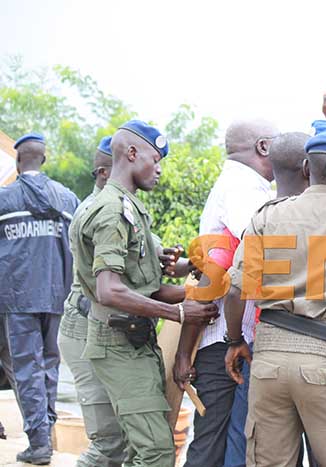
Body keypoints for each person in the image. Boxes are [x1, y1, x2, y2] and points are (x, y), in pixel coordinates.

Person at [224, 120, 326, 466]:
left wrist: (235, 341)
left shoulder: (268, 217)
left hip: (268, 364)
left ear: (307, 169)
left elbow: (235, 292)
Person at [72, 120, 219, 466]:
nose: (159, 170)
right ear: (132, 154)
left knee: (138, 448)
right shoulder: (112, 212)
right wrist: (180, 314)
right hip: (118, 344)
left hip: (134, 343)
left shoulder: (129, 208)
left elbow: (145, 288)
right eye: (156, 160)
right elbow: (110, 290)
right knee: (155, 451)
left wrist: (191, 292)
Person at [173, 119, 279, 467]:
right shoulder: (241, 188)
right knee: (211, 448)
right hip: (224, 342)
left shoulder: (249, 186)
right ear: (264, 147)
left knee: (232, 443)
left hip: (235, 338)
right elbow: (261, 249)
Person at [0, 132, 79, 464]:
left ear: (18, 162)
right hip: (56, 296)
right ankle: (43, 436)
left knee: (26, 369)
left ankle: (39, 442)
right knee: (49, 367)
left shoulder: (5, 199)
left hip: (16, 298)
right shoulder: (67, 199)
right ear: (43, 160)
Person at [58, 136, 126, 467]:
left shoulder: (124, 209)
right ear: (103, 173)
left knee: (123, 438)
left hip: (103, 331)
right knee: (109, 442)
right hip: (84, 330)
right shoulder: (95, 211)